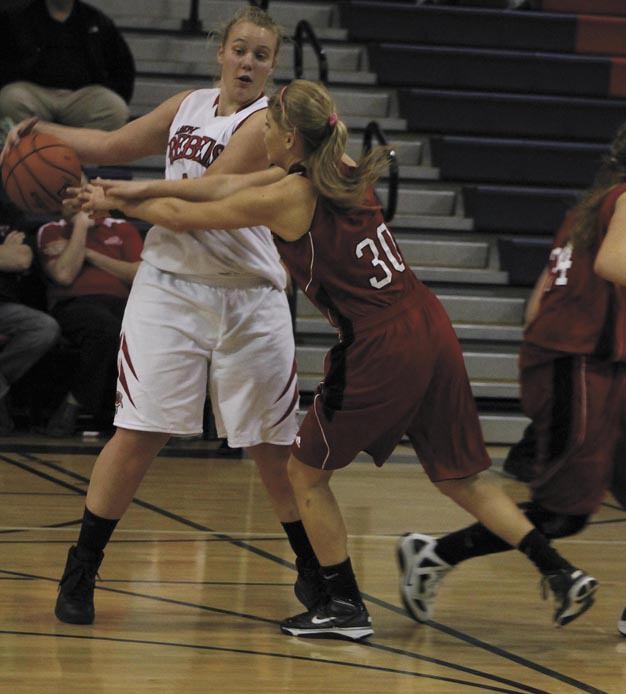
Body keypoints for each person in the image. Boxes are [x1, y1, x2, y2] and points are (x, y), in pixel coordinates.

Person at [76, 79, 598, 641]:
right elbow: (222, 184)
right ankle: (559, 570)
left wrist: (113, 201)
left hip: (379, 342)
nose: (262, 132)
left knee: (304, 474)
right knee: (463, 478)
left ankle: (346, 605)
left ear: (290, 136)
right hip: (428, 322)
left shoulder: (290, 197)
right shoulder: (339, 166)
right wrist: (128, 189)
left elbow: (188, 212)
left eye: (270, 126)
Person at [1, 6, 319, 626]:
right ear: (219, 53)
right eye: (240, 50)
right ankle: (82, 569)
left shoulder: (266, 125)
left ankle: (315, 572)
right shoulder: (188, 105)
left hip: (248, 294)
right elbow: (111, 143)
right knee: (138, 435)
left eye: (261, 55)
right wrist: (39, 136)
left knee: (271, 450)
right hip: (171, 288)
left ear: (274, 67)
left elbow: (194, 202)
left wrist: (112, 195)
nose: (248, 62)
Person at [382, 122, 626, 637]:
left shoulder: (592, 206)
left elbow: (539, 298)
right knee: (564, 513)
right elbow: (613, 264)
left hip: (571, 360)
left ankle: (435, 554)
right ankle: (435, 554)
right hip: (574, 363)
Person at [36, 197, 143, 435]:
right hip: (74, 304)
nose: (76, 201)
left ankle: (143, 416)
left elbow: (137, 274)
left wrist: (88, 253)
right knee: (108, 329)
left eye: (81, 193)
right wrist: (81, 227)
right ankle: (76, 404)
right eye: (68, 195)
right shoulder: (51, 230)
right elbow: (64, 274)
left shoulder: (122, 228)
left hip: (124, 303)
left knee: (142, 330)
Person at [0, 0, 134, 131]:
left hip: (81, 97)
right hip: (33, 95)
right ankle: (35, 147)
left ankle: (80, 149)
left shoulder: (96, 21)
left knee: (116, 109)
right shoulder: (16, 18)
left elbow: (123, 68)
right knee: (8, 100)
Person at [0, 207, 60, 433]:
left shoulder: (10, 214)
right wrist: (4, 251)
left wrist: (10, 254)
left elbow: (22, 260)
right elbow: (10, 258)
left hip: (5, 305)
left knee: (45, 327)